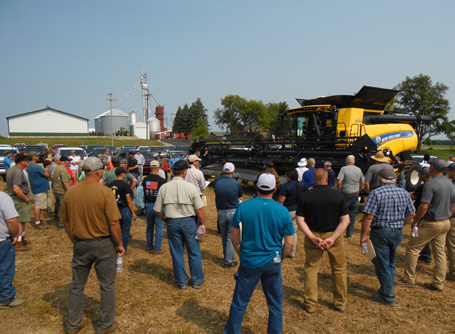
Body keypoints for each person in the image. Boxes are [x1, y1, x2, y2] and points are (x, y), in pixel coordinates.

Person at [60, 157, 124, 334]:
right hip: (103, 244)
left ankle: (73, 324)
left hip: (80, 243)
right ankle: (105, 325)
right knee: (106, 285)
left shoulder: (71, 192)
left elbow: (65, 220)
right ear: (98, 171)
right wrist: (119, 244)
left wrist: (74, 239)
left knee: (77, 285)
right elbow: (113, 223)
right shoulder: (104, 192)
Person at [224, 173, 294, 334]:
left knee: (240, 302)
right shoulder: (282, 211)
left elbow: (234, 238)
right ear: (275, 189)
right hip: (273, 262)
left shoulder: (244, 207)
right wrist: (280, 258)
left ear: (256, 186)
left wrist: (241, 253)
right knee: (275, 304)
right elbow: (289, 243)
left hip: (249, 261)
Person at [296, 168, 349, 314]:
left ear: (314, 179)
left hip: (313, 235)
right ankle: (340, 303)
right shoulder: (338, 196)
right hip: (334, 236)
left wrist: (312, 237)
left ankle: (310, 304)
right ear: (327, 180)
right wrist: (332, 238)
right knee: (339, 269)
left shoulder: (306, 196)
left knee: (311, 269)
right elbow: (345, 221)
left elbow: (300, 220)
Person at [360, 168, 415, 306]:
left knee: (381, 263)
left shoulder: (376, 193)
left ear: (379, 179)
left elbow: (368, 218)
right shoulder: (404, 193)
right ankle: (387, 287)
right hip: (397, 232)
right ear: (395, 180)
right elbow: (411, 214)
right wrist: (402, 224)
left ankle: (388, 296)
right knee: (390, 262)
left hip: (381, 232)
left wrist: (363, 235)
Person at [402, 159, 455, 292]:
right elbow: (453, 205)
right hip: (445, 222)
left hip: (431, 222)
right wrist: (447, 215)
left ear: (432, 168)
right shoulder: (450, 184)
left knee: (412, 249)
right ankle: (438, 283)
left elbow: (424, 206)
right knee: (440, 253)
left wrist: (415, 221)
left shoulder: (430, 185)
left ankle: (409, 278)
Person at [154, 160, 206, 289]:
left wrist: (165, 220)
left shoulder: (164, 187)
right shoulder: (191, 187)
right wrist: (202, 223)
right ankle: (197, 280)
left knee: (177, 253)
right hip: (189, 221)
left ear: (172, 171)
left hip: (172, 222)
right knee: (193, 252)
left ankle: (182, 282)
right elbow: (199, 209)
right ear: (185, 172)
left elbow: (158, 209)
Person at [214, 162, 243, 267]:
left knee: (224, 236)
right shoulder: (237, 184)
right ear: (233, 171)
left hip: (221, 211)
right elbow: (239, 197)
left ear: (223, 170)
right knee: (230, 237)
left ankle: (226, 256)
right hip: (233, 211)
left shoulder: (217, 183)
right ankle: (228, 261)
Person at [0, 192, 26, 310]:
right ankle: (6, 298)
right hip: (2, 240)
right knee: (5, 268)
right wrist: (16, 234)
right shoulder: (3, 198)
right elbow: (12, 220)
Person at [6, 153, 32, 251]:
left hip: (14, 198)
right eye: (27, 160)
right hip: (19, 199)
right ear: (22, 162)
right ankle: (18, 243)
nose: (28, 162)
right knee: (21, 221)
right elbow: (16, 189)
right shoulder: (18, 172)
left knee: (20, 220)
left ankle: (20, 238)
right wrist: (25, 199)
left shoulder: (12, 169)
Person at [108, 167, 137, 253]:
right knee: (125, 231)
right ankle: (123, 248)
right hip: (124, 210)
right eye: (124, 173)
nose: (125, 175)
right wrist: (133, 212)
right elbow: (128, 200)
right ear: (122, 174)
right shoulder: (125, 185)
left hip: (114, 210)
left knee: (116, 230)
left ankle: (115, 247)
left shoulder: (110, 184)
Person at [337, 155, 365, 238]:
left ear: (346, 161)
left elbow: (339, 182)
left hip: (345, 193)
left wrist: (339, 191)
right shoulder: (358, 169)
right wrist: (359, 191)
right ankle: (349, 234)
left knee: (341, 213)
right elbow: (362, 182)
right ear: (354, 161)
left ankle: (339, 233)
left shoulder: (344, 169)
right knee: (352, 214)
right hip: (355, 193)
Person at [143, 160, 167, 254]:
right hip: (158, 205)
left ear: (150, 168)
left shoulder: (145, 179)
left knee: (149, 227)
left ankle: (149, 246)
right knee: (159, 228)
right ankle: (157, 249)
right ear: (158, 168)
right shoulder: (162, 181)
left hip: (148, 204)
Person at [277, 168, 301, 258]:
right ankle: (292, 252)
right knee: (293, 232)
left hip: (287, 211)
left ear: (288, 176)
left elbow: (281, 201)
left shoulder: (285, 186)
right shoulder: (302, 185)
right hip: (298, 211)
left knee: (282, 232)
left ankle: (282, 250)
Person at [411, 167, 433, 264]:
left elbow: (412, 197)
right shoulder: (433, 184)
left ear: (424, 175)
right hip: (432, 214)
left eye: (419, 174)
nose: (418, 176)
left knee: (423, 236)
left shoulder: (425, 186)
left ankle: (426, 256)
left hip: (422, 215)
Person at [27, 152, 50, 226]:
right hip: (39, 188)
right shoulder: (36, 166)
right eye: (37, 156)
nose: (38, 157)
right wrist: (46, 170)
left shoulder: (28, 165)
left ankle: (38, 220)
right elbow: (46, 175)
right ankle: (37, 222)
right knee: (38, 206)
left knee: (37, 204)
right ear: (33, 158)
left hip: (35, 187)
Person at [52, 156, 71, 227]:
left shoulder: (57, 167)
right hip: (62, 191)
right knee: (62, 207)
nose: (70, 163)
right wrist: (69, 192)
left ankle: (56, 217)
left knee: (57, 205)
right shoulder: (63, 169)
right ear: (65, 162)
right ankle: (61, 223)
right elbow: (65, 183)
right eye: (69, 161)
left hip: (56, 189)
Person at [446, 163, 455, 281]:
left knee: (452, 245)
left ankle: (453, 272)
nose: (448, 172)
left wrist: (446, 216)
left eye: (449, 171)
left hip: (453, 217)